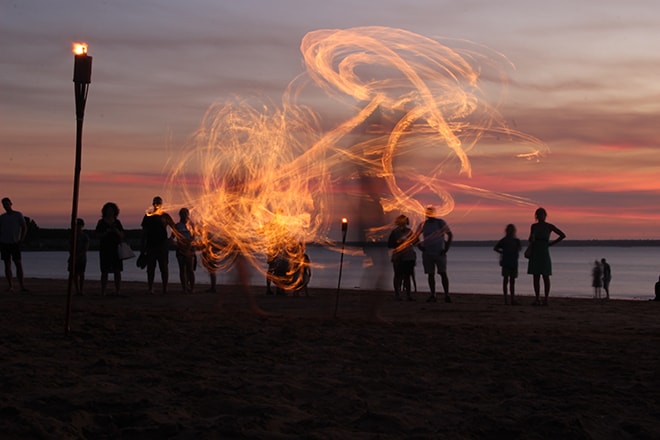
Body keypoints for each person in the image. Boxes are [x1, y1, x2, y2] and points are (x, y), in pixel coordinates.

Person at [527, 207, 566, 306]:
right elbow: (530, 239)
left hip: (544, 251)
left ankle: (546, 298)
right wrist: (530, 242)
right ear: (536, 216)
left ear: (545, 215)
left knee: (545, 275)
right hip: (535, 250)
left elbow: (562, 235)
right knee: (536, 276)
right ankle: (537, 298)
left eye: (542, 214)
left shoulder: (549, 226)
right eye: (539, 215)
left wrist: (551, 244)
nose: (541, 216)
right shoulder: (534, 226)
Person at [416, 205, 453, 303]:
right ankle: (433, 295)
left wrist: (446, 248)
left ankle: (446, 295)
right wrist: (420, 247)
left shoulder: (440, 223)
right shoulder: (423, 224)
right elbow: (415, 236)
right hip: (428, 252)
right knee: (430, 274)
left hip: (439, 252)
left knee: (442, 273)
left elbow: (449, 234)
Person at [140, 196, 175, 295]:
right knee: (150, 268)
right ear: (152, 204)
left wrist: (171, 239)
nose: (157, 204)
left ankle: (165, 288)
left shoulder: (165, 216)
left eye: (158, 203)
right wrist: (142, 247)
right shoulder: (148, 216)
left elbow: (174, 227)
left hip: (162, 246)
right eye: (155, 202)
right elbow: (144, 232)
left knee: (164, 267)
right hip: (151, 245)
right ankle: (150, 288)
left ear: (161, 204)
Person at [95, 202, 125, 296]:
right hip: (105, 248)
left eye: (111, 210)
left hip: (116, 248)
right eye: (108, 210)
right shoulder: (101, 222)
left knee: (117, 270)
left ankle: (118, 291)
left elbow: (122, 235)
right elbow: (97, 235)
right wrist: (106, 232)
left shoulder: (117, 222)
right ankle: (103, 291)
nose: (110, 212)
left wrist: (116, 231)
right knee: (104, 270)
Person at [0, 197, 28, 292]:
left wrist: (21, 239)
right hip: (4, 243)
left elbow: (24, 227)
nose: (5, 206)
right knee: (7, 264)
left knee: (18, 263)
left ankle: (22, 286)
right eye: (4, 204)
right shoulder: (2, 217)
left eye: (7, 204)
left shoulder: (18, 215)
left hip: (15, 242)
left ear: (11, 204)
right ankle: (10, 285)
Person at [387, 214, 416, 301]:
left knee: (407, 276)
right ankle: (398, 295)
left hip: (408, 256)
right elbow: (390, 244)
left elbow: (415, 241)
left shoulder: (410, 231)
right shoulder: (395, 232)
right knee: (398, 275)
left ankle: (408, 295)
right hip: (398, 256)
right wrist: (399, 244)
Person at [493, 224, 521, 305]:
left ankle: (512, 298)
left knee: (512, 281)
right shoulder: (504, 240)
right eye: (509, 230)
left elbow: (519, 249)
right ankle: (506, 299)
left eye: (511, 230)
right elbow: (495, 248)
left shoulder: (516, 241)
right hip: (506, 262)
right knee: (506, 280)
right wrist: (503, 252)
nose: (510, 231)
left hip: (513, 262)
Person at [172, 207, 196, 294]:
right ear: (180, 215)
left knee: (190, 269)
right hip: (180, 250)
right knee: (182, 269)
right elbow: (172, 237)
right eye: (182, 214)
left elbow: (193, 237)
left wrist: (189, 245)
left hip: (189, 250)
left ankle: (192, 288)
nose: (184, 215)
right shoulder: (177, 226)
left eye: (185, 213)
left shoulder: (191, 225)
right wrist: (176, 244)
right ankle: (184, 288)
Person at [68, 218, 89, 296]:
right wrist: (72, 255)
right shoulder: (72, 236)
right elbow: (70, 247)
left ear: (82, 226)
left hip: (81, 258)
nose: (77, 227)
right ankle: (77, 290)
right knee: (74, 274)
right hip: (73, 257)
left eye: (79, 225)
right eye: (76, 225)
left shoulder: (84, 236)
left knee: (81, 273)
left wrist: (79, 255)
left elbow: (86, 248)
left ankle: (81, 289)